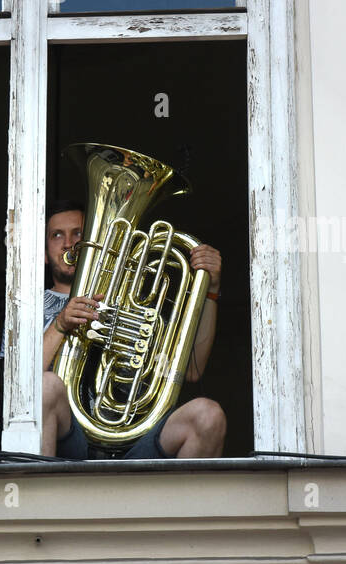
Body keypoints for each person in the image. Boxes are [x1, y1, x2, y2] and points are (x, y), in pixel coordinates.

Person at [41, 197, 226, 460]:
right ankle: (41, 498)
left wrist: (211, 290)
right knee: (46, 385)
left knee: (209, 415)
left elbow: (192, 370)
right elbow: (18, 389)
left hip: (138, 440)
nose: (69, 243)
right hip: (70, 440)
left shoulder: (133, 297)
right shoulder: (25, 309)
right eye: (57, 235)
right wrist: (60, 324)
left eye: (78, 233)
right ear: (44, 252)